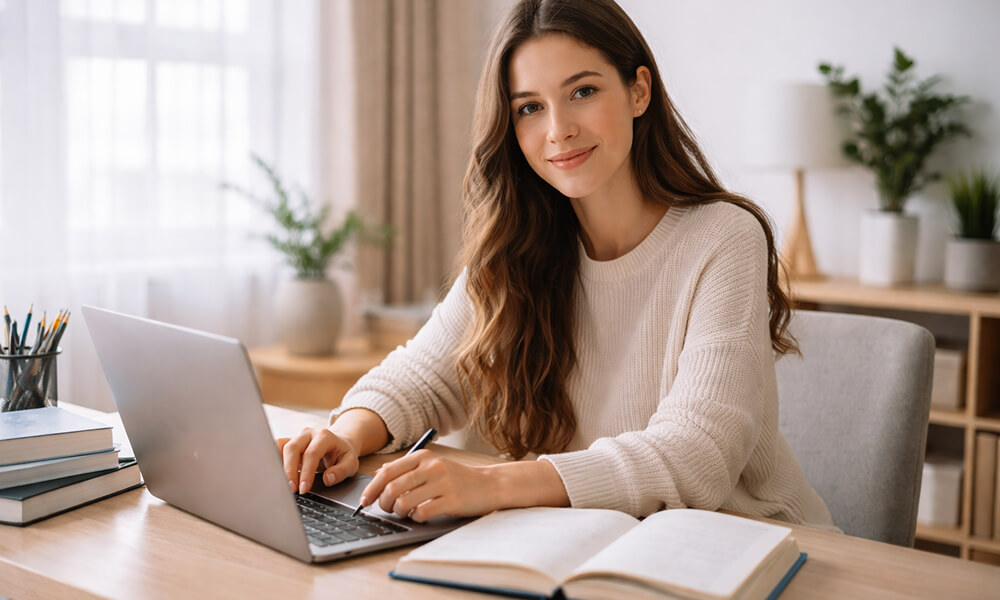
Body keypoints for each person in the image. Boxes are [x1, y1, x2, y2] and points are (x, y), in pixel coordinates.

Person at [278, 0, 833, 528]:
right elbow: (423, 378)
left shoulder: (722, 238)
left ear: (638, 91)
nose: (557, 129)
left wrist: (492, 484)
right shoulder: (520, 243)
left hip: (745, 546)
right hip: (593, 540)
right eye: (529, 107)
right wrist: (348, 435)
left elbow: (696, 456)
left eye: (583, 91)